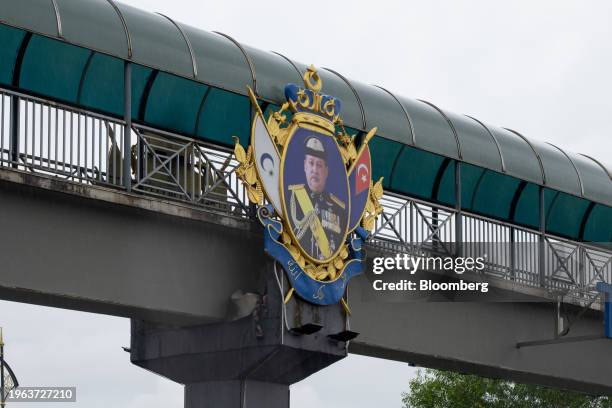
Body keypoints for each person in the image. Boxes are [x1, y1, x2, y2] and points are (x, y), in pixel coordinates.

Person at [288, 135, 346, 261]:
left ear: (326, 171)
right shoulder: (292, 198)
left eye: (319, 165)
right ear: (305, 166)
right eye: (311, 163)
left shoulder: (339, 209)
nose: (314, 169)